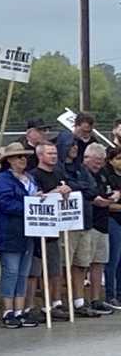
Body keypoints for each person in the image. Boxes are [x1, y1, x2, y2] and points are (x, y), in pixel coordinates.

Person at [0, 143, 39, 328]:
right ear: (9, 160)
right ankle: (7, 310)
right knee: (10, 271)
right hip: (9, 230)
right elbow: (3, 203)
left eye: (24, 156)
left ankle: (20, 310)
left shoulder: (30, 178)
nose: (23, 159)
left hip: (29, 231)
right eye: (18, 156)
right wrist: (29, 205)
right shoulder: (3, 180)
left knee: (23, 272)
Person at [58, 130, 105, 318]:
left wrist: (78, 187)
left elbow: (92, 188)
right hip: (68, 222)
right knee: (65, 264)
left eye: (76, 144)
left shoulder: (81, 168)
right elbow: (69, 185)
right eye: (71, 144)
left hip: (85, 220)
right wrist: (81, 187)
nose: (75, 148)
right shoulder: (59, 167)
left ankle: (79, 301)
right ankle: (62, 300)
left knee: (81, 263)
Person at [29, 143, 72, 321]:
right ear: (40, 155)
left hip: (55, 228)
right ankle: (34, 306)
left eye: (55, 153)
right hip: (39, 227)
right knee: (36, 270)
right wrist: (55, 192)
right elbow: (36, 198)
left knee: (55, 268)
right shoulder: (34, 175)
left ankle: (56, 303)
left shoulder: (58, 174)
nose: (54, 156)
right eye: (50, 153)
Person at [80, 143, 117, 314]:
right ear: (87, 158)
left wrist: (115, 195)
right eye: (96, 160)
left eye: (101, 161)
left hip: (103, 224)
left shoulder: (103, 174)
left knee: (99, 262)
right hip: (89, 223)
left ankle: (96, 299)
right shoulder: (82, 174)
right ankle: (80, 300)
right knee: (82, 263)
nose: (99, 164)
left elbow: (109, 192)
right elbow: (88, 195)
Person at [104, 147, 121, 309]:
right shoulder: (109, 178)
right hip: (113, 219)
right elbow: (108, 205)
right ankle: (111, 294)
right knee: (113, 259)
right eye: (118, 158)